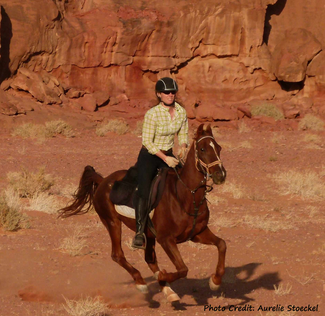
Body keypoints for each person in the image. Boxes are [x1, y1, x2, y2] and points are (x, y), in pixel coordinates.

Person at [132, 77, 189, 249]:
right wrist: (165, 159)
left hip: (170, 154)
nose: (170, 95)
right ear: (159, 94)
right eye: (166, 92)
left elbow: (183, 133)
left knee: (184, 182)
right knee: (144, 189)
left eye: (172, 92)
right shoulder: (152, 114)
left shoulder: (181, 112)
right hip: (150, 155)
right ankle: (140, 232)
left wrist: (184, 147)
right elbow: (148, 142)